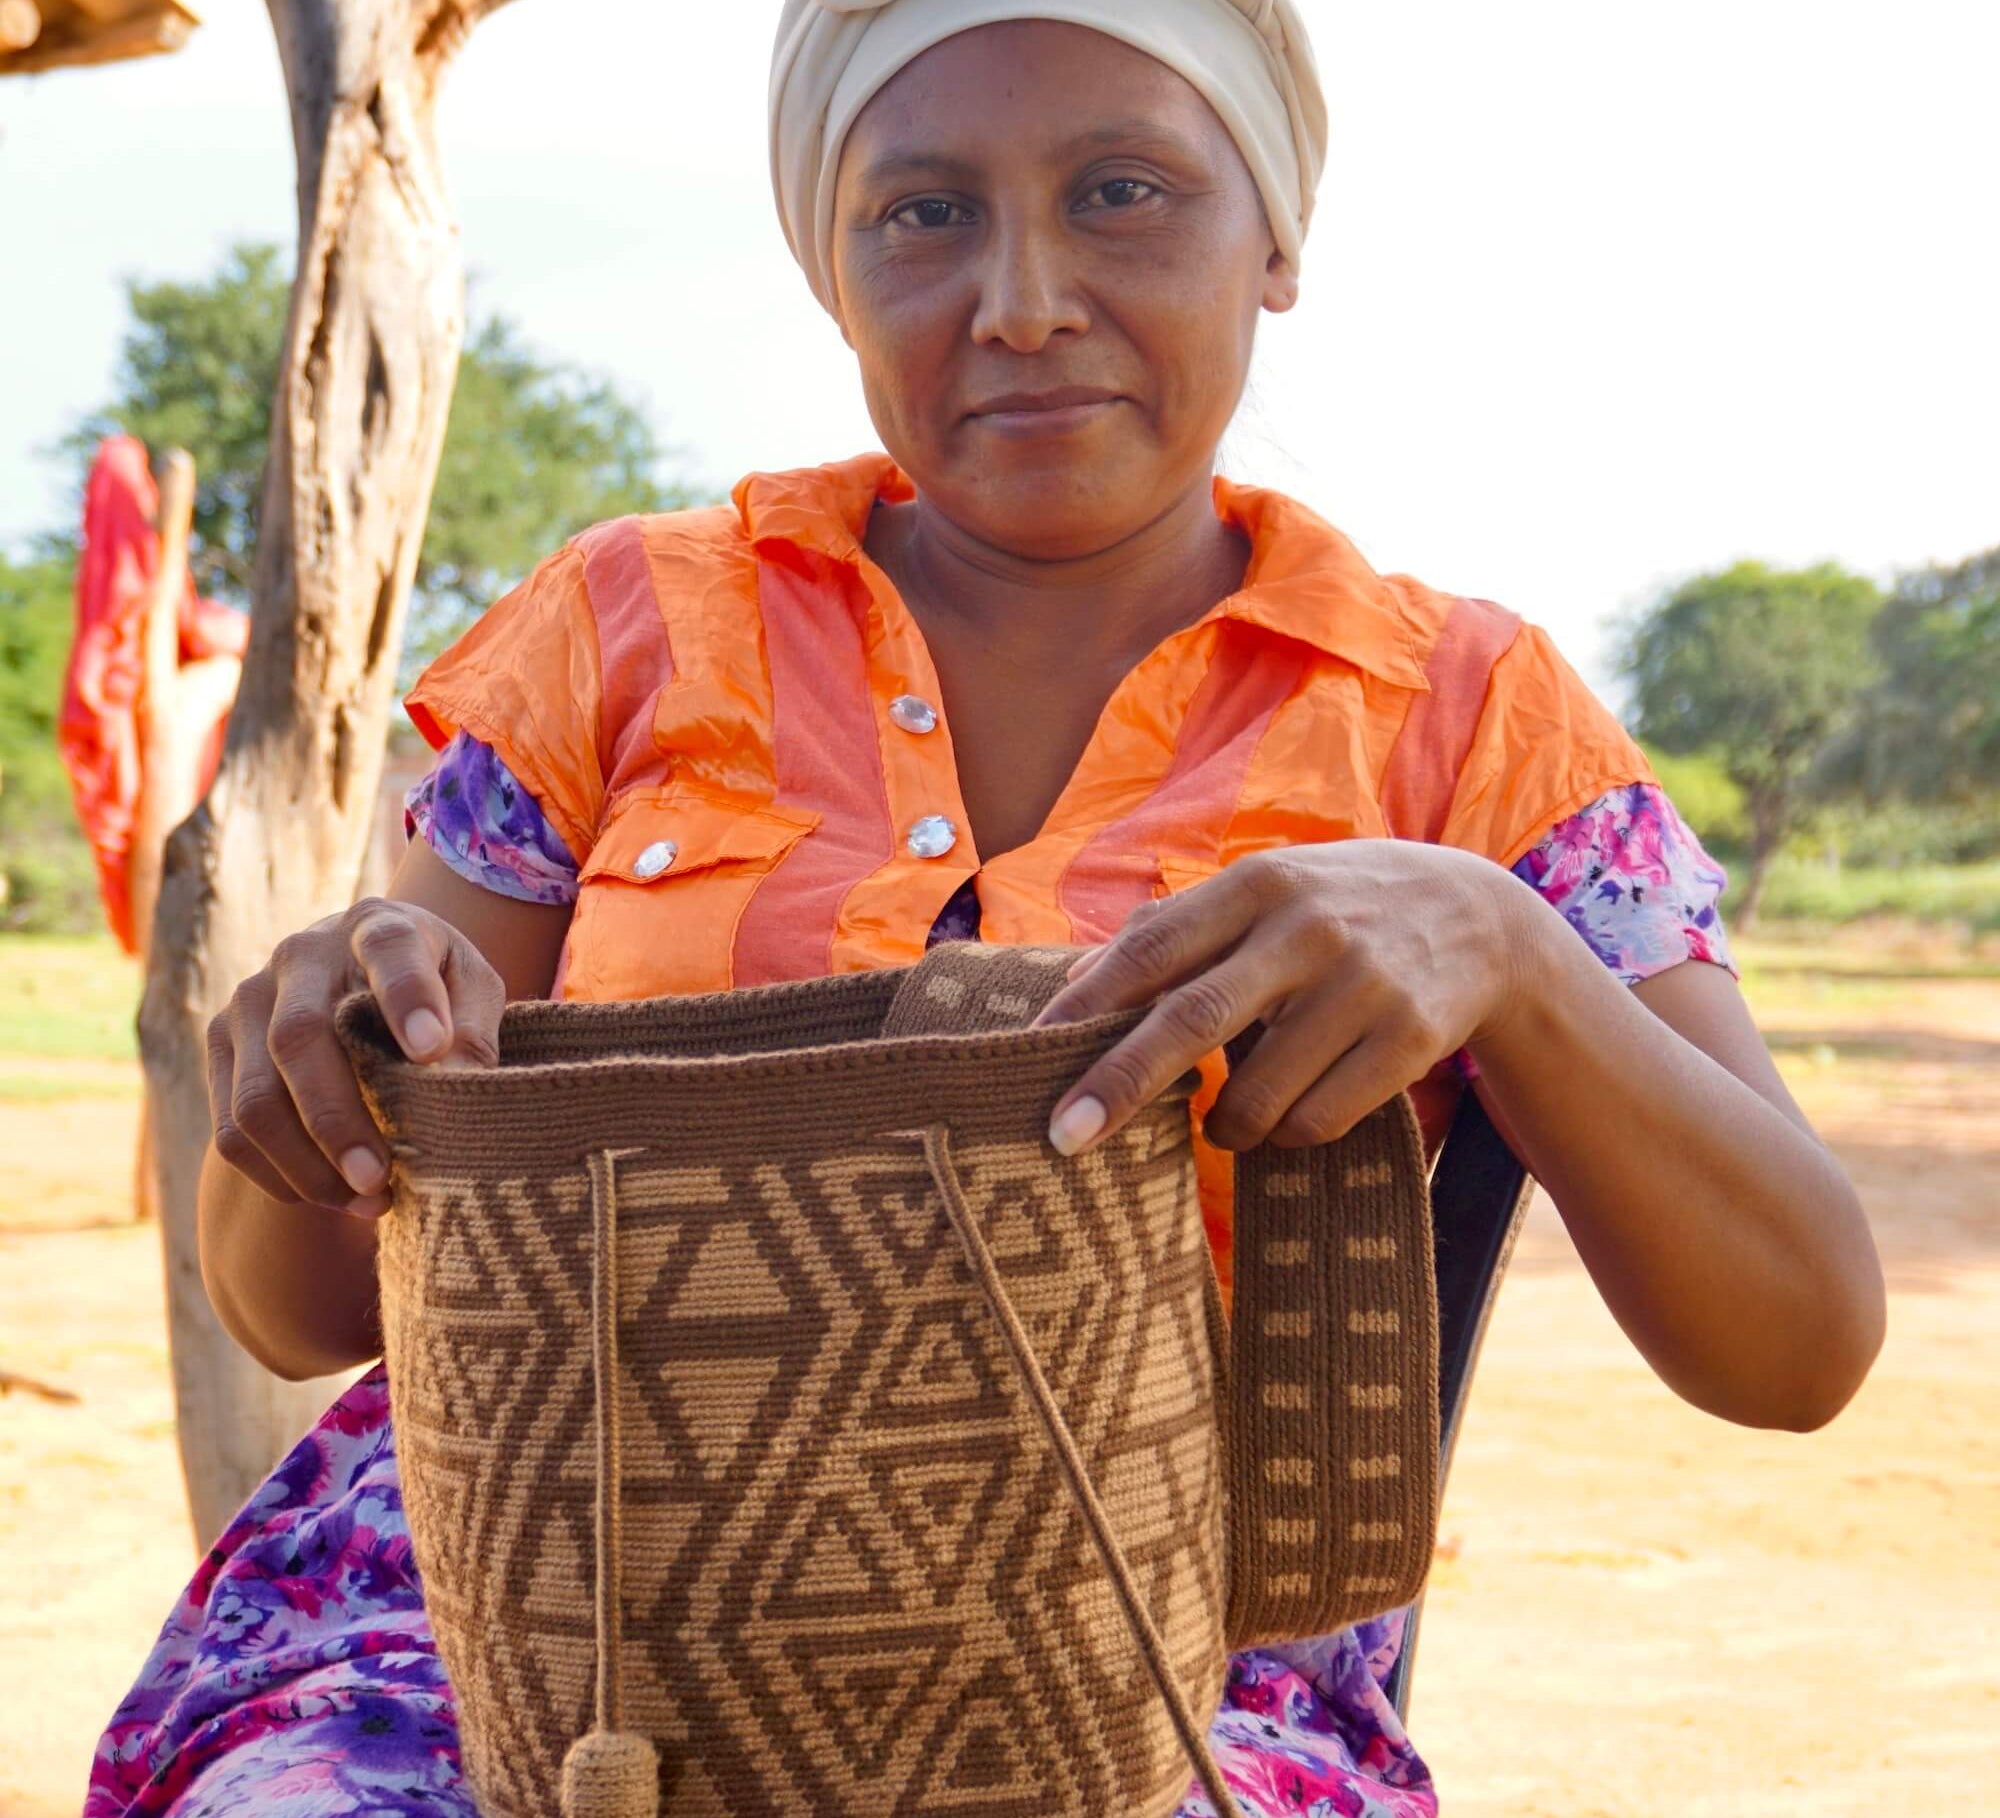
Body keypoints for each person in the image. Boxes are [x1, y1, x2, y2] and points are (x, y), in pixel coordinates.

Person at [87, 3, 1886, 1814]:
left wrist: (1510, 954)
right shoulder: (622, 628)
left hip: (1154, 1660)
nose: (1021, 297)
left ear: (1275, 239)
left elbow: (1802, 1339)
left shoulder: (1467, 717)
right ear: (832, 269)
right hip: (523, 1647)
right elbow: (298, 1310)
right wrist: (325, 1061)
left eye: (1124, 191)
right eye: (922, 213)